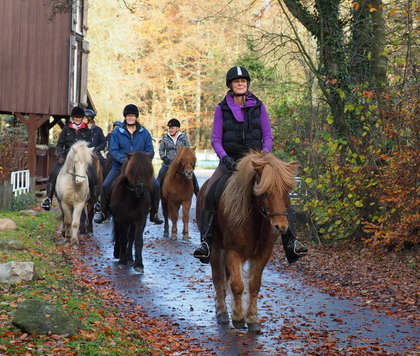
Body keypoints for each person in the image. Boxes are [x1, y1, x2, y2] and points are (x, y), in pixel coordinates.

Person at [192, 65, 309, 264]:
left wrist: (265, 155)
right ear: (230, 85)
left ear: (247, 85)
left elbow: (267, 135)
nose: (240, 84)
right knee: (211, 191)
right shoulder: (222, 108)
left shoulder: (259, 106)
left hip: (258, 161)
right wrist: (224, 157)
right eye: (237, 82)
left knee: (281, 192)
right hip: (232, 161)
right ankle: (206, 242)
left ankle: (291, 242)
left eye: (243, 81)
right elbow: (216, 139)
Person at [100, 104, 164, 225]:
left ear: (136, 117)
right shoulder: (117, 132)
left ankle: (155, 213)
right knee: (105, 185)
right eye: (128, 115)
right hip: (119, 166)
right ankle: (102, 212)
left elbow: (150, 150)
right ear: (125, 117)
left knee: (155, 186)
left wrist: (139, 161)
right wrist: (125, 160)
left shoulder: (144, 132)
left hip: (139, 169)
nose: (130, 118)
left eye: (133, 116)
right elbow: (113, 150)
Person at [41, 106, 98, 210]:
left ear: (82, 118)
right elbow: (59, 144)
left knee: (93, 175)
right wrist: (60, 156)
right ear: (72, 117)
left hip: (81, 160)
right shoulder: (66, 129)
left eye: (79, 117)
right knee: (53, 173)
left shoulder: (87, 131)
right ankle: (48, 199)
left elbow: (90, 146)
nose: (77, 119)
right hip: (66, 158)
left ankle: (95, 202)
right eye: (76, 117)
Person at [157, 118, 200, 196]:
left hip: (182, 164)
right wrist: (164, 157)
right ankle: (155, 197)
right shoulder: (165, 137)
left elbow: (188, 150)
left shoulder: (183, 137)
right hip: (168, 163)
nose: (170, 130)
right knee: (160, 176)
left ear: (177, 128)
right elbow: (161, 150)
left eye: (172, 128)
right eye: (169, 128)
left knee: (193, 177)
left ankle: (198, 194)